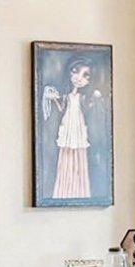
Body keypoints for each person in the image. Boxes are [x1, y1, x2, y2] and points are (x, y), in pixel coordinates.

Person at [39, 55, 109, 202]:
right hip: (68, 124)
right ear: (69, 72)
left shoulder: (84, 97)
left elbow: (88, 108)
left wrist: (96, 97)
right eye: (76, 72)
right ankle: (64, 190)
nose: (79, 78)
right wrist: (53, 99)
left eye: (85, 76)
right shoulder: (67, 96)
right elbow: (61, 109)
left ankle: (79, 190)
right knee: (66, 153)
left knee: (78, 153)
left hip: (78, 125)